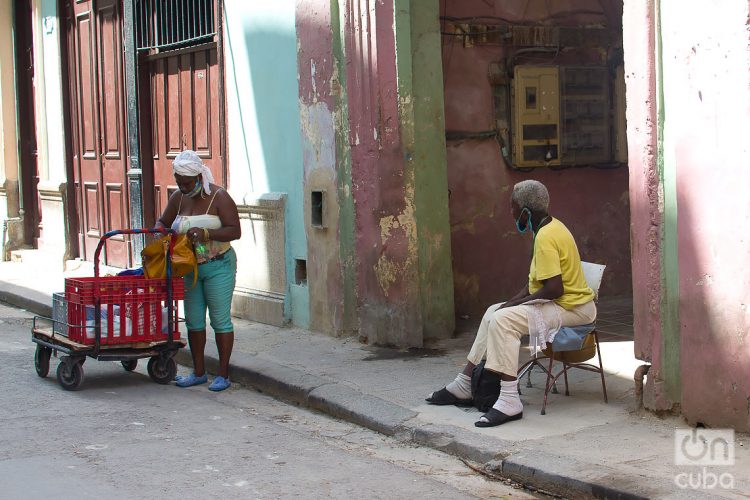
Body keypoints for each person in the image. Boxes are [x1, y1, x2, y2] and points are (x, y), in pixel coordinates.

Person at [426, 180, 596, 427]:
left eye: (513, 207)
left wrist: (516, 307)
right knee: (493, 311)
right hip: (563, 302)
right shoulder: (547, 228)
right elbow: (534, 284)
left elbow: (553, 289)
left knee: (504, 321)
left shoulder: (547, 236)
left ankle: (508, 400)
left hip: (575, 310)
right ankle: (464, 384)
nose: (512, 213)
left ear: (526, 211)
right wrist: (512, 302)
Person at [155, 150, 241, 392]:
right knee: (193, 321)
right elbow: (163, 221)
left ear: (197, 178)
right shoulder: (178, 198)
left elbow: (235, 230)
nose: (182, 187)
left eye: (186, 183)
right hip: (190, 269)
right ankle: (199, 371)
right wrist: (159, 230)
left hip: (218, 265)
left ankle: (223, 374)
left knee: (220, 320)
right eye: (179, 183)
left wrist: (207, 233)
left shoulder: (219, 197)